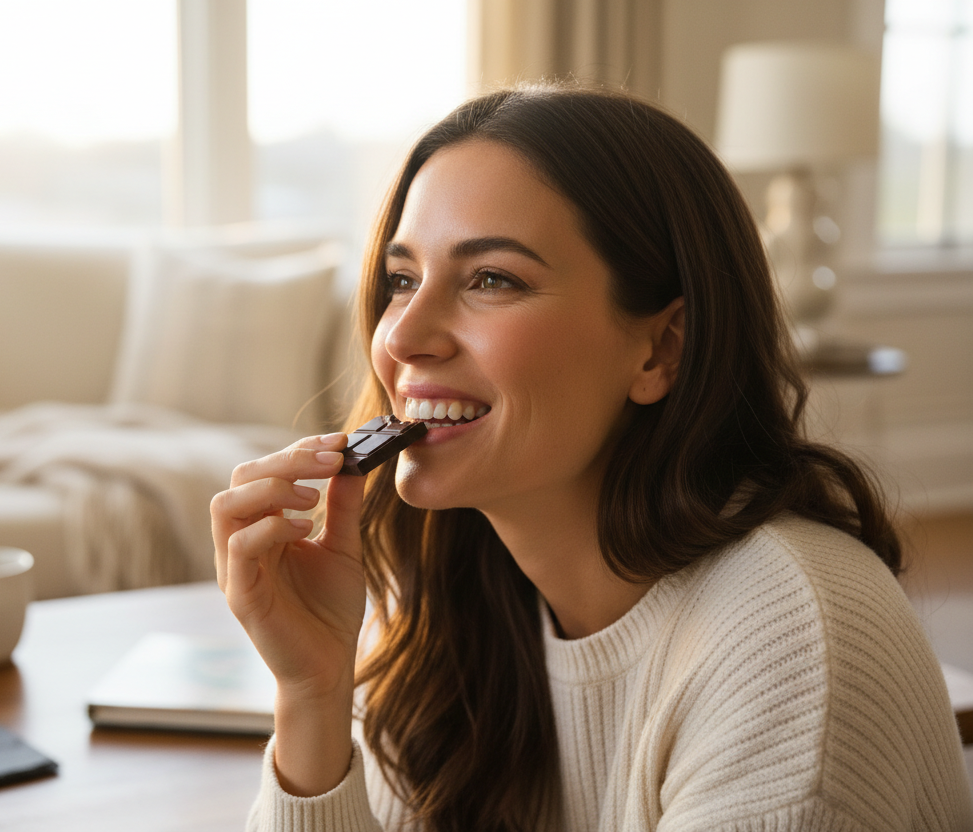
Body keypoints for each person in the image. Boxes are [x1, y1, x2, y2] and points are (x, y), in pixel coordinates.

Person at [210, 82, 973, 831]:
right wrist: (313, 695)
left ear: (661, 350)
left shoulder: (788, 651)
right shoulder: (456, 606)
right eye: (402, 280)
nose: (402, 337)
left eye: (492, 279)